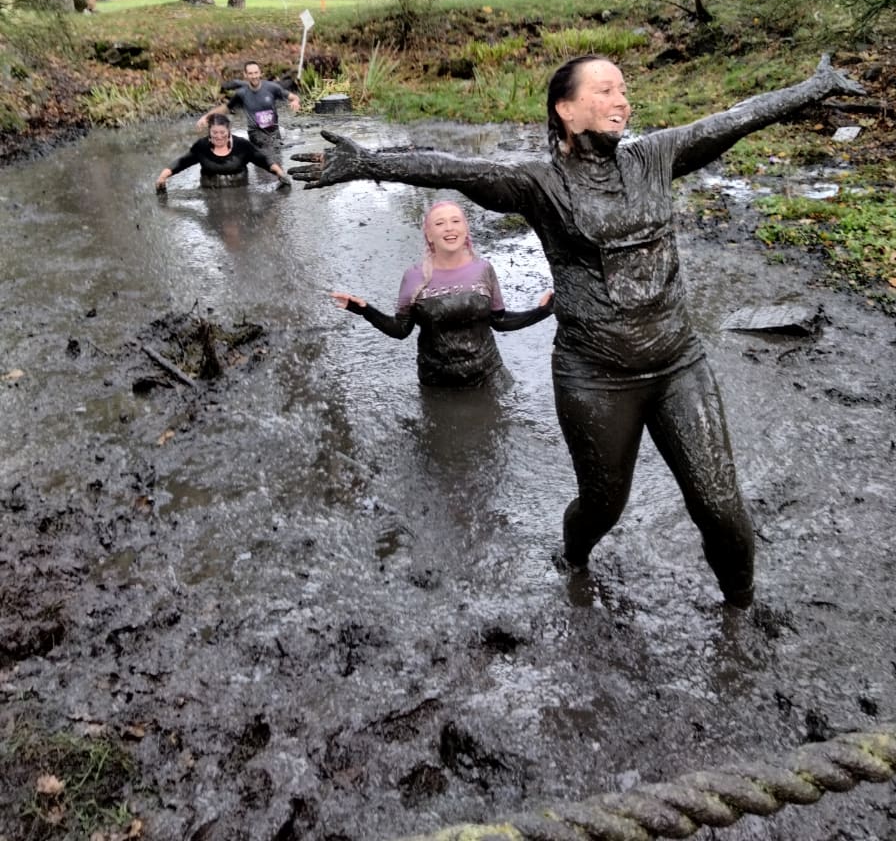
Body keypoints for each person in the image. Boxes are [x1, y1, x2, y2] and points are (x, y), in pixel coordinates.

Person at [289, 54, 865, 608]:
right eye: (606, 90)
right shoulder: (540, 182)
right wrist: (368, 163)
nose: (622, 100)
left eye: (623, 90)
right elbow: (453, 168)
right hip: (594, 375)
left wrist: (813, 89)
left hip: (676, 363)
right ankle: (574, 561)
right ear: (565, 109)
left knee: (719, 504)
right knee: (603, 504)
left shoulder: (655, 157)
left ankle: (741, 611)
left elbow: (736, 116)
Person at [332, 200, 554, 388]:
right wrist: (363, 310)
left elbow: (500, 320)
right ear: (429, 234)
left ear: (465, 229)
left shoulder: (483, 269)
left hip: (489, 376)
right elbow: (400, 330)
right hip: (437, 382)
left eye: (455, 221)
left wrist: (544, 310)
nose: (449, 228)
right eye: (440, 223)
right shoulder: (414, 277)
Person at [155, 113, 292, 190]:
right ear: (209, 132)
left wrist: (280, 173)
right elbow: (182, 162)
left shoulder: (242, 146)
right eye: (215, 132)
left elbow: (262, 160)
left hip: (240, 193)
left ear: (229, 131)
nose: (219, 136)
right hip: (210, 194)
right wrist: (163, 176)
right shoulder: (201, 147)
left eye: (222, 132)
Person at [197, 61, 301, 162]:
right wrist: (207, 117)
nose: (254, 76)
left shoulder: (272, 88)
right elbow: (225, 108)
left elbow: (294, 97)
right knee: (265, 160)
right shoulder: (241, 93)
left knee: (277, 161)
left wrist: (296, 101)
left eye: (256, 73)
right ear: (245, 75)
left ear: (260, 73)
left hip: (274, 132)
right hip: (255, 133)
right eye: (250, 73)